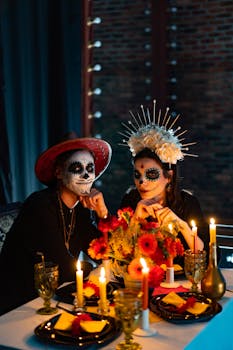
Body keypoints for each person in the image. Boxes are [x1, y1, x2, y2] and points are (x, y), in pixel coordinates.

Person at [0, 136, 111, 314]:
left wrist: (103, 213)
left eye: (90, 169)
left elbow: (103, 253)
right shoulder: (39, 205)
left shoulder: (81, 209)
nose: (86, 175)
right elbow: (63, 267)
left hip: (56, 298)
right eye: (77, 168)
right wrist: (93, 271)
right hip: (19, 304)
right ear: (59, 173)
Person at [119, 101, 209, 265]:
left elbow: (206, 257)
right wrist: (134, 221)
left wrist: (181, 225)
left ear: (168, 176)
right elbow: (118, 257)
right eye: (137, 174)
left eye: (151, 174)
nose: (142, 181)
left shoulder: (187, 204)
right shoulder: (130, 202)